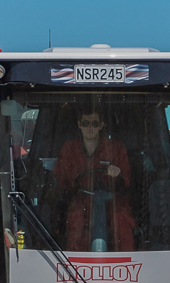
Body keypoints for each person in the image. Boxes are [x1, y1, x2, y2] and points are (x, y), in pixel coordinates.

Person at [54, 106, 134, 251]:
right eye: (86, 123)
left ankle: (126, 262)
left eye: (95, 124)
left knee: (121, 220)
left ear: (101, 125)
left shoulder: (116, 148)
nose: (90, 128)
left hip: (113, 201)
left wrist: (117, 174)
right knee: (75, 219)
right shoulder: (69, 149)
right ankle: (76, 264)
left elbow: (127, 180)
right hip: (81, 200)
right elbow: (60, 181)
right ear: (79, 125)